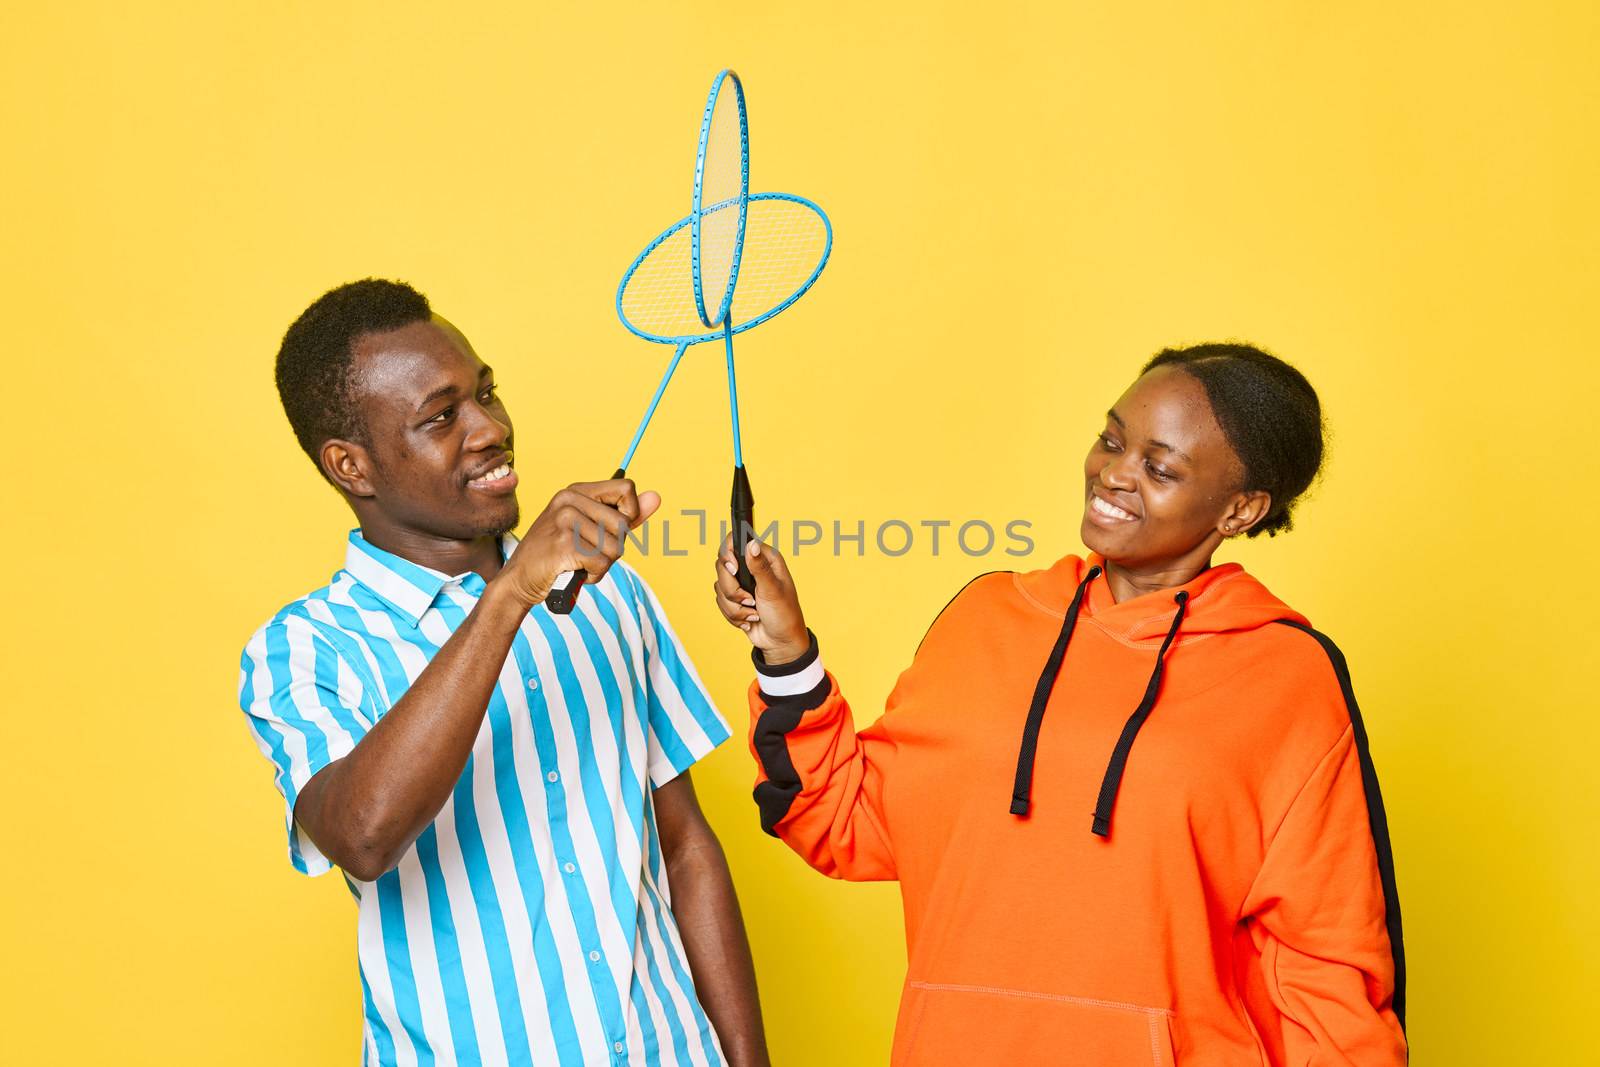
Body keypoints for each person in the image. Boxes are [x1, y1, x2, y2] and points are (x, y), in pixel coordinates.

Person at [713, 343, 1407, 1065]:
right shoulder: (987, 620)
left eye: (1159, 467)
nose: (1114, 473)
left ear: (1241, 508)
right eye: (1111, 439)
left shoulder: (1284, 673)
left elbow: (1327, 957)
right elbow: (845, 818)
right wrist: (785, 649)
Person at [239, 279, 767, 1067]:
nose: (491, 429)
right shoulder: (308, 648)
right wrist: (511, 594)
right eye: (441, 416)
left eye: (485, 392)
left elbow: (687, 846)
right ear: (352, 465)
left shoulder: (612, 592)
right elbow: (362, 833)